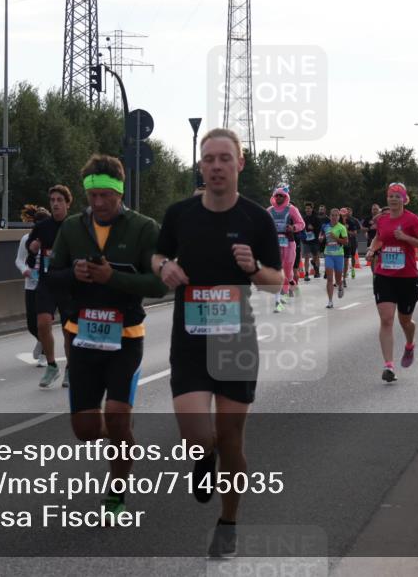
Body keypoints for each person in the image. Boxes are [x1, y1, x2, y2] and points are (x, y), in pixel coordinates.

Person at [153, 128, 282, 559]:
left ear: (239, 164)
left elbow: (276, 282)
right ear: (201, 166)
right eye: (208, 159)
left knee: (230, 440)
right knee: (196, 436)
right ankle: (202, 459)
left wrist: (252, 269)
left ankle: (228, 522)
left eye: (224, 158)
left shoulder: (256, 220)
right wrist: (165, 266)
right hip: (189, 340)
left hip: (235, 341)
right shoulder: (180, 214)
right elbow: (156, 255)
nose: (216, 166)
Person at [46, 155, 167, 519]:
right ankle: (122, 437)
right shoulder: (70, 228)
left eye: (105, 197)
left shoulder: (145, 229)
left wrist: (111, 278)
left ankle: (116, 491)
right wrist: (74, 275)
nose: (98, 204)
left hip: (126, 337)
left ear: (120, 193)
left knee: (115, 414)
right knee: (85, 430)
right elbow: (53, 278)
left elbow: (159, 284)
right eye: (92, 196)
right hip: (81, 338)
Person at [364, 182, 418, 382]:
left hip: (407, 277)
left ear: (404, 199)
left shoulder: (413, 220)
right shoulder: (383, 220)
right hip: (384, 275)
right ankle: (389, 366)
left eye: (397, 196)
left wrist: (405, 238)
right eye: (391, 195)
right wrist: (371, 249)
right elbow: (378, 238)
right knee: (386, 319)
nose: (393, 199)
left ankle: (410, 344)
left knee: (405, 321)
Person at [27, 185, 73, 388]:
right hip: (47, 282)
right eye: (52, 200)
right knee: (43, 323)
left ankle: (71, 369)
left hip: (69, 284)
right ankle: (52, 365)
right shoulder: (42, 227)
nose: (55, 203)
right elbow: (30, 250)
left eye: (59, 200)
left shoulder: (75, 226)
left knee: (69, 331)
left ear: (67, 204)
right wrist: (33, 248)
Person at [15, 205, 51, 366]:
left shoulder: (53, 239)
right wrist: (25, 270)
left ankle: (44, 355)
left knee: (44, 322)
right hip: (30, 285)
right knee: (31, 324)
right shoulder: (26, 239)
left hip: (48, 285)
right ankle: (42, 341)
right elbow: (19, 260)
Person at [266, 186, 304, 312]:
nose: (278, 197)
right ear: (274, 197)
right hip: (274, 243)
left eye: (281, 195)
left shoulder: (291, 209)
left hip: (288, 242)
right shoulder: (269, 210)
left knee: (287, 269)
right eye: (276, 195)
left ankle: (288, 285)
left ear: (285, 197)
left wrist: (293, 228)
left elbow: (301, 224)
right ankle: (280, 298)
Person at [322, 208, 349, 308]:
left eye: (336, 215)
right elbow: (321, 236)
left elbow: (346, 242)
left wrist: (335, 237)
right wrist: (321, 238)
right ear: (330, 216)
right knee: (329, 279)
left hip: (338, 255)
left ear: (339, 217)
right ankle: (330, 301)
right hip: (328, 254)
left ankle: (340, 286)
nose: (334, 217)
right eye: (332, 215)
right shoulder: (325, 226)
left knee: (337, 280)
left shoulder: (341, 227)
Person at [301, 202, 323, 281]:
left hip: (314, 240)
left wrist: (313, 228)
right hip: (306, 241)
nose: (307, 210)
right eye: (306, 208)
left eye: (309, 208)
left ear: (312, 209)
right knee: (306, 257)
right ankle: (306, 274)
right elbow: (301, 228)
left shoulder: (316, 218)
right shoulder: (303, 218)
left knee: (316, 256)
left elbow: (320, 229)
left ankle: (316, 270)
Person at [342, 207, 361, 282]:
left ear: (352, 212)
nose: (348, 213)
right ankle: (345, 272)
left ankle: (353, 269)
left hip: (352, 241)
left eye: (349, 212)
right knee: (345, 257)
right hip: (344, 242)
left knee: (353, 255)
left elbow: (357, 231)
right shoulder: (340, 221)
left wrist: (347, 231)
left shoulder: (354, 220)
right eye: (346, 212)